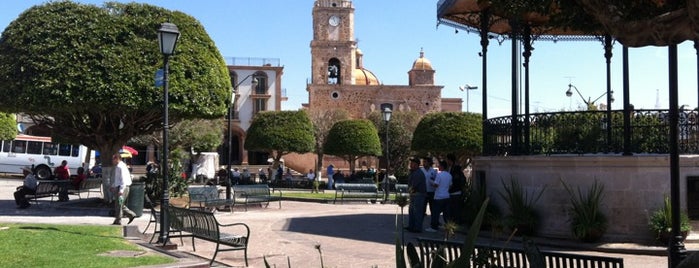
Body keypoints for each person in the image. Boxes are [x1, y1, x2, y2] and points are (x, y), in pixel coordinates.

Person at [426, 161, 452, 232]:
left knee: (435, 212)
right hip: (446, 196)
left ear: (442, 167)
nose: (438, 167)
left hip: (439, 196)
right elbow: (450, 186)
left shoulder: (439, 175)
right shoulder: (449, 175)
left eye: (439, 166)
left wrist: (431, 182)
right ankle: (448, 227)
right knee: (446, 213)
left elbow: (436, 185)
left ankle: (434, 227)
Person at [110, 153, 136, 225]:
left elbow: (123, 179)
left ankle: (118, 220)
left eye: (113, 159)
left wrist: (121, 190)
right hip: (122, 187)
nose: (112, 161)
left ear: (116, 159)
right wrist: (113, 186)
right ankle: (131, 214)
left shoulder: (120, 167)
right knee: (120, 203)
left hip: (123, 187)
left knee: (119, 204)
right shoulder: (121, 166)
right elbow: (118, 179)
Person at [406, 157, 426, 233]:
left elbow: (414, 185)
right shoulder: (413, 172)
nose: (411, 165)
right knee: (411, 211)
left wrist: (410, 191)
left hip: (418, 194)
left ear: (417, 165)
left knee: (417, 211)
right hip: (414, 194)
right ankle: (411, 226)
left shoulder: (418, 173)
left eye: (412, 163)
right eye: (410, 163)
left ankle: (417, 227)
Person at [446, 153, 466, 224]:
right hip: (451, 192)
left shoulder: (456, 169)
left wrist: (451, 187)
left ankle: (456, 223)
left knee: (456, 209)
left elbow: (456, 180)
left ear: (450, 160)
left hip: (455, 192)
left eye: (447, 160)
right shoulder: (449, 168)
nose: (447, 161)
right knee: (451, 209)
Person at [421, 157, 437, 223]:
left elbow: (436, 181)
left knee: (433, 208)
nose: (424, 163)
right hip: (423, 191)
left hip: (431, 192)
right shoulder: (421, 170)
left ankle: (434, 222)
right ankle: (419, 222)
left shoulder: (433, 171)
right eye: (423, 162)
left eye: (425, 162)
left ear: (429, 162)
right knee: (422, 208)